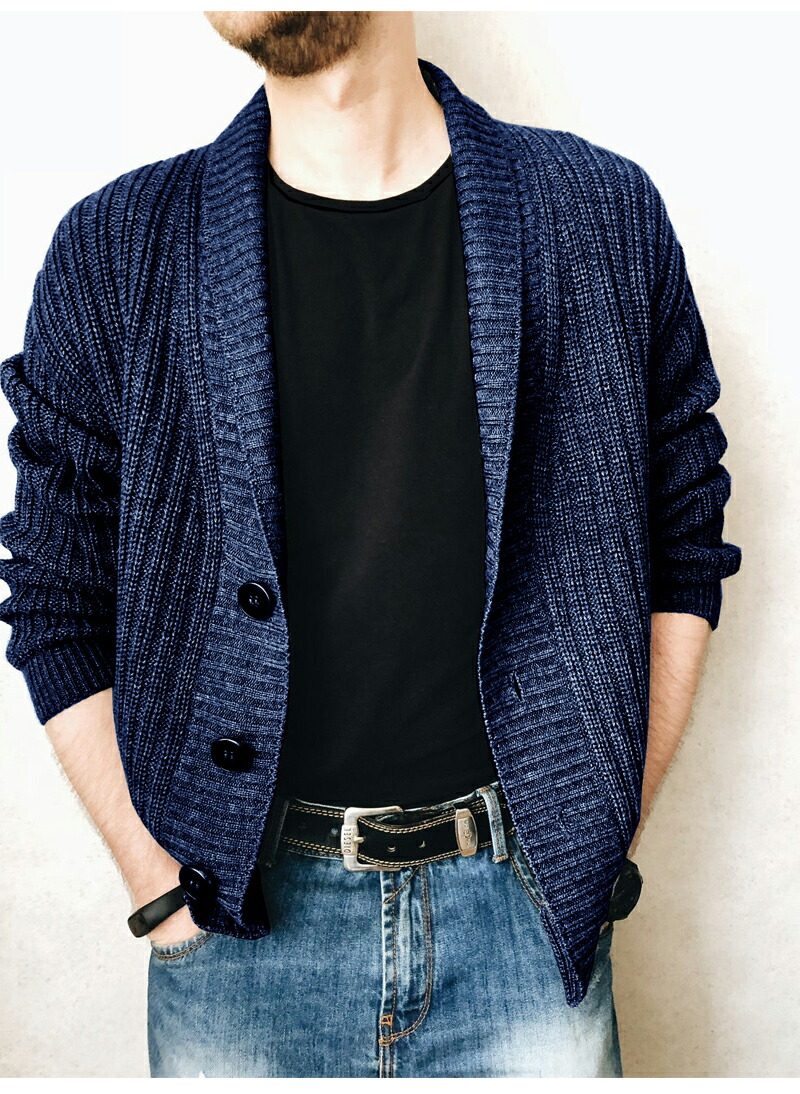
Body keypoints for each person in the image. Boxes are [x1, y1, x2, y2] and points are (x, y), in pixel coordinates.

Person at [0, 11, 741, 1079]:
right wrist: (157, 885)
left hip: (527, 931)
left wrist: (596, 830)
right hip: (234, 934)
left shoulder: (597, 216)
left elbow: (681, 537)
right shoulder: (115, 251)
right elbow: (56, 590)